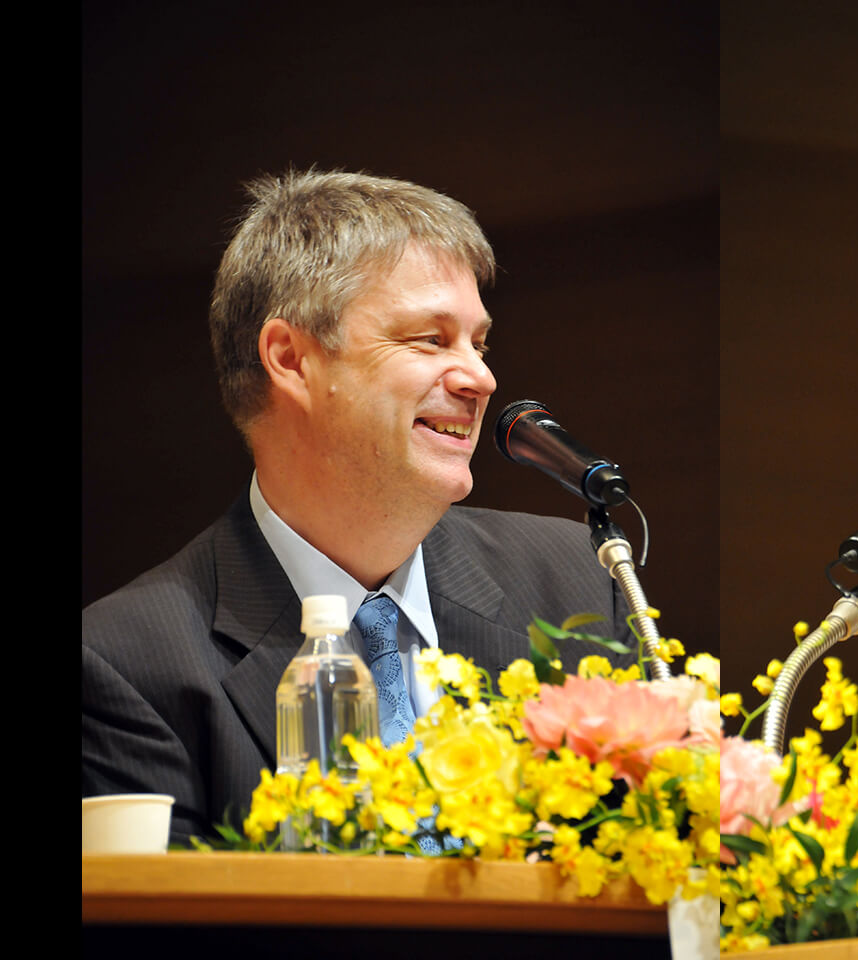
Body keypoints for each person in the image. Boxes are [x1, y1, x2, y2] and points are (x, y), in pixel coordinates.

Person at [83, 169, 631, 844]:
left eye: (478, 342)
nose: (481, 378)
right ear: (291, 359)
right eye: (431, 339)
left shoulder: (576, 582)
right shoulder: (129, 665)